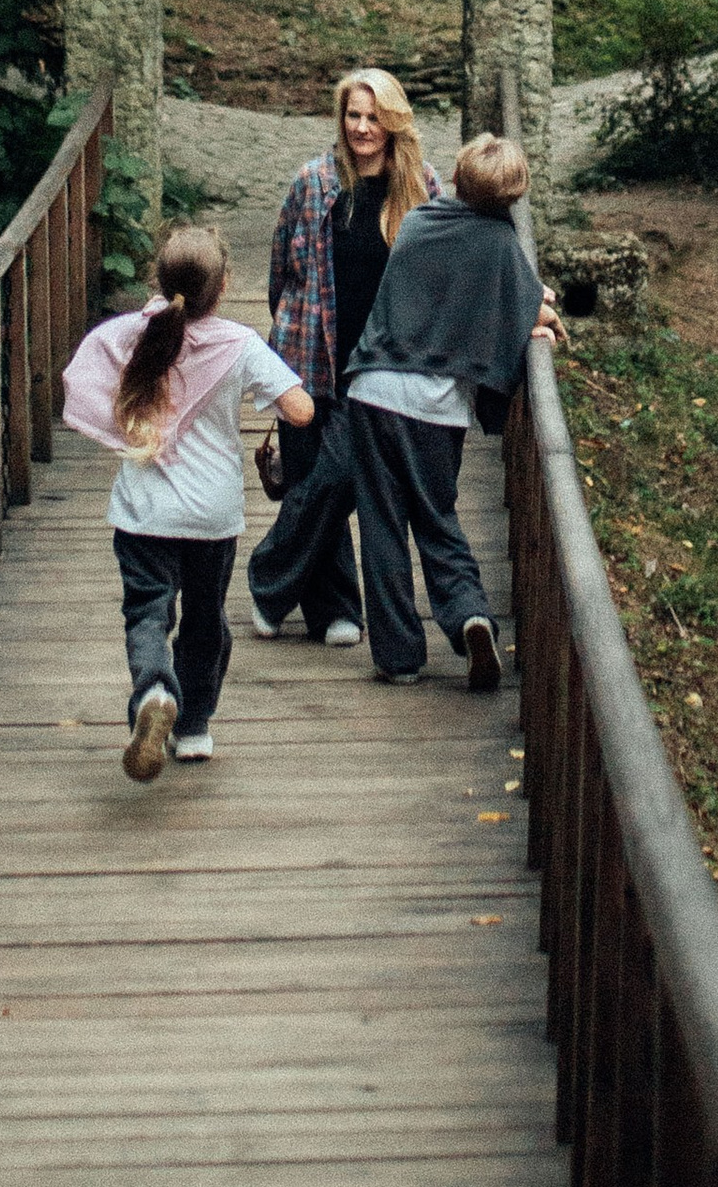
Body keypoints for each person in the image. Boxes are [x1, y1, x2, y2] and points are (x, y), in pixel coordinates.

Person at [61, 225, 312, 784]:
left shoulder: (130, 334)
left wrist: (128, 423)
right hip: (212, 516)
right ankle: (194, 728)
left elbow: (80, 383)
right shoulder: (240, 344)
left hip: (144, 513)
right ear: (223, 288)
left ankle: (153, 691)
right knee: (204, 618)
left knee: (147, 613)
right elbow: (300, 411)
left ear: (159, 280)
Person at [341, 131, 557, 689]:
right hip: (436, 408)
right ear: (513, 196)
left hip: (373, 390)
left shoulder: (416, 223)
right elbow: (520, 310)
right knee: (436, 517)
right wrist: (542, 321)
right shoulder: (503, 248)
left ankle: (399, 658)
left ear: (457, 178)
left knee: (383, 525)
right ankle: (469, 615)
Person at [248, 68, 439, 645]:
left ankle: (266, 580)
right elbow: (280, 269)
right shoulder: (312, 181)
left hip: (380, 367)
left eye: (373, 116)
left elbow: (448, 267)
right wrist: (291, 329)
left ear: (393, 122)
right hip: (308, 355)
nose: (361, 127)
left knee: (335, 480)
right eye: (353, 115)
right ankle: (336, 613)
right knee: (309, 476)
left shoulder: (422, 187)